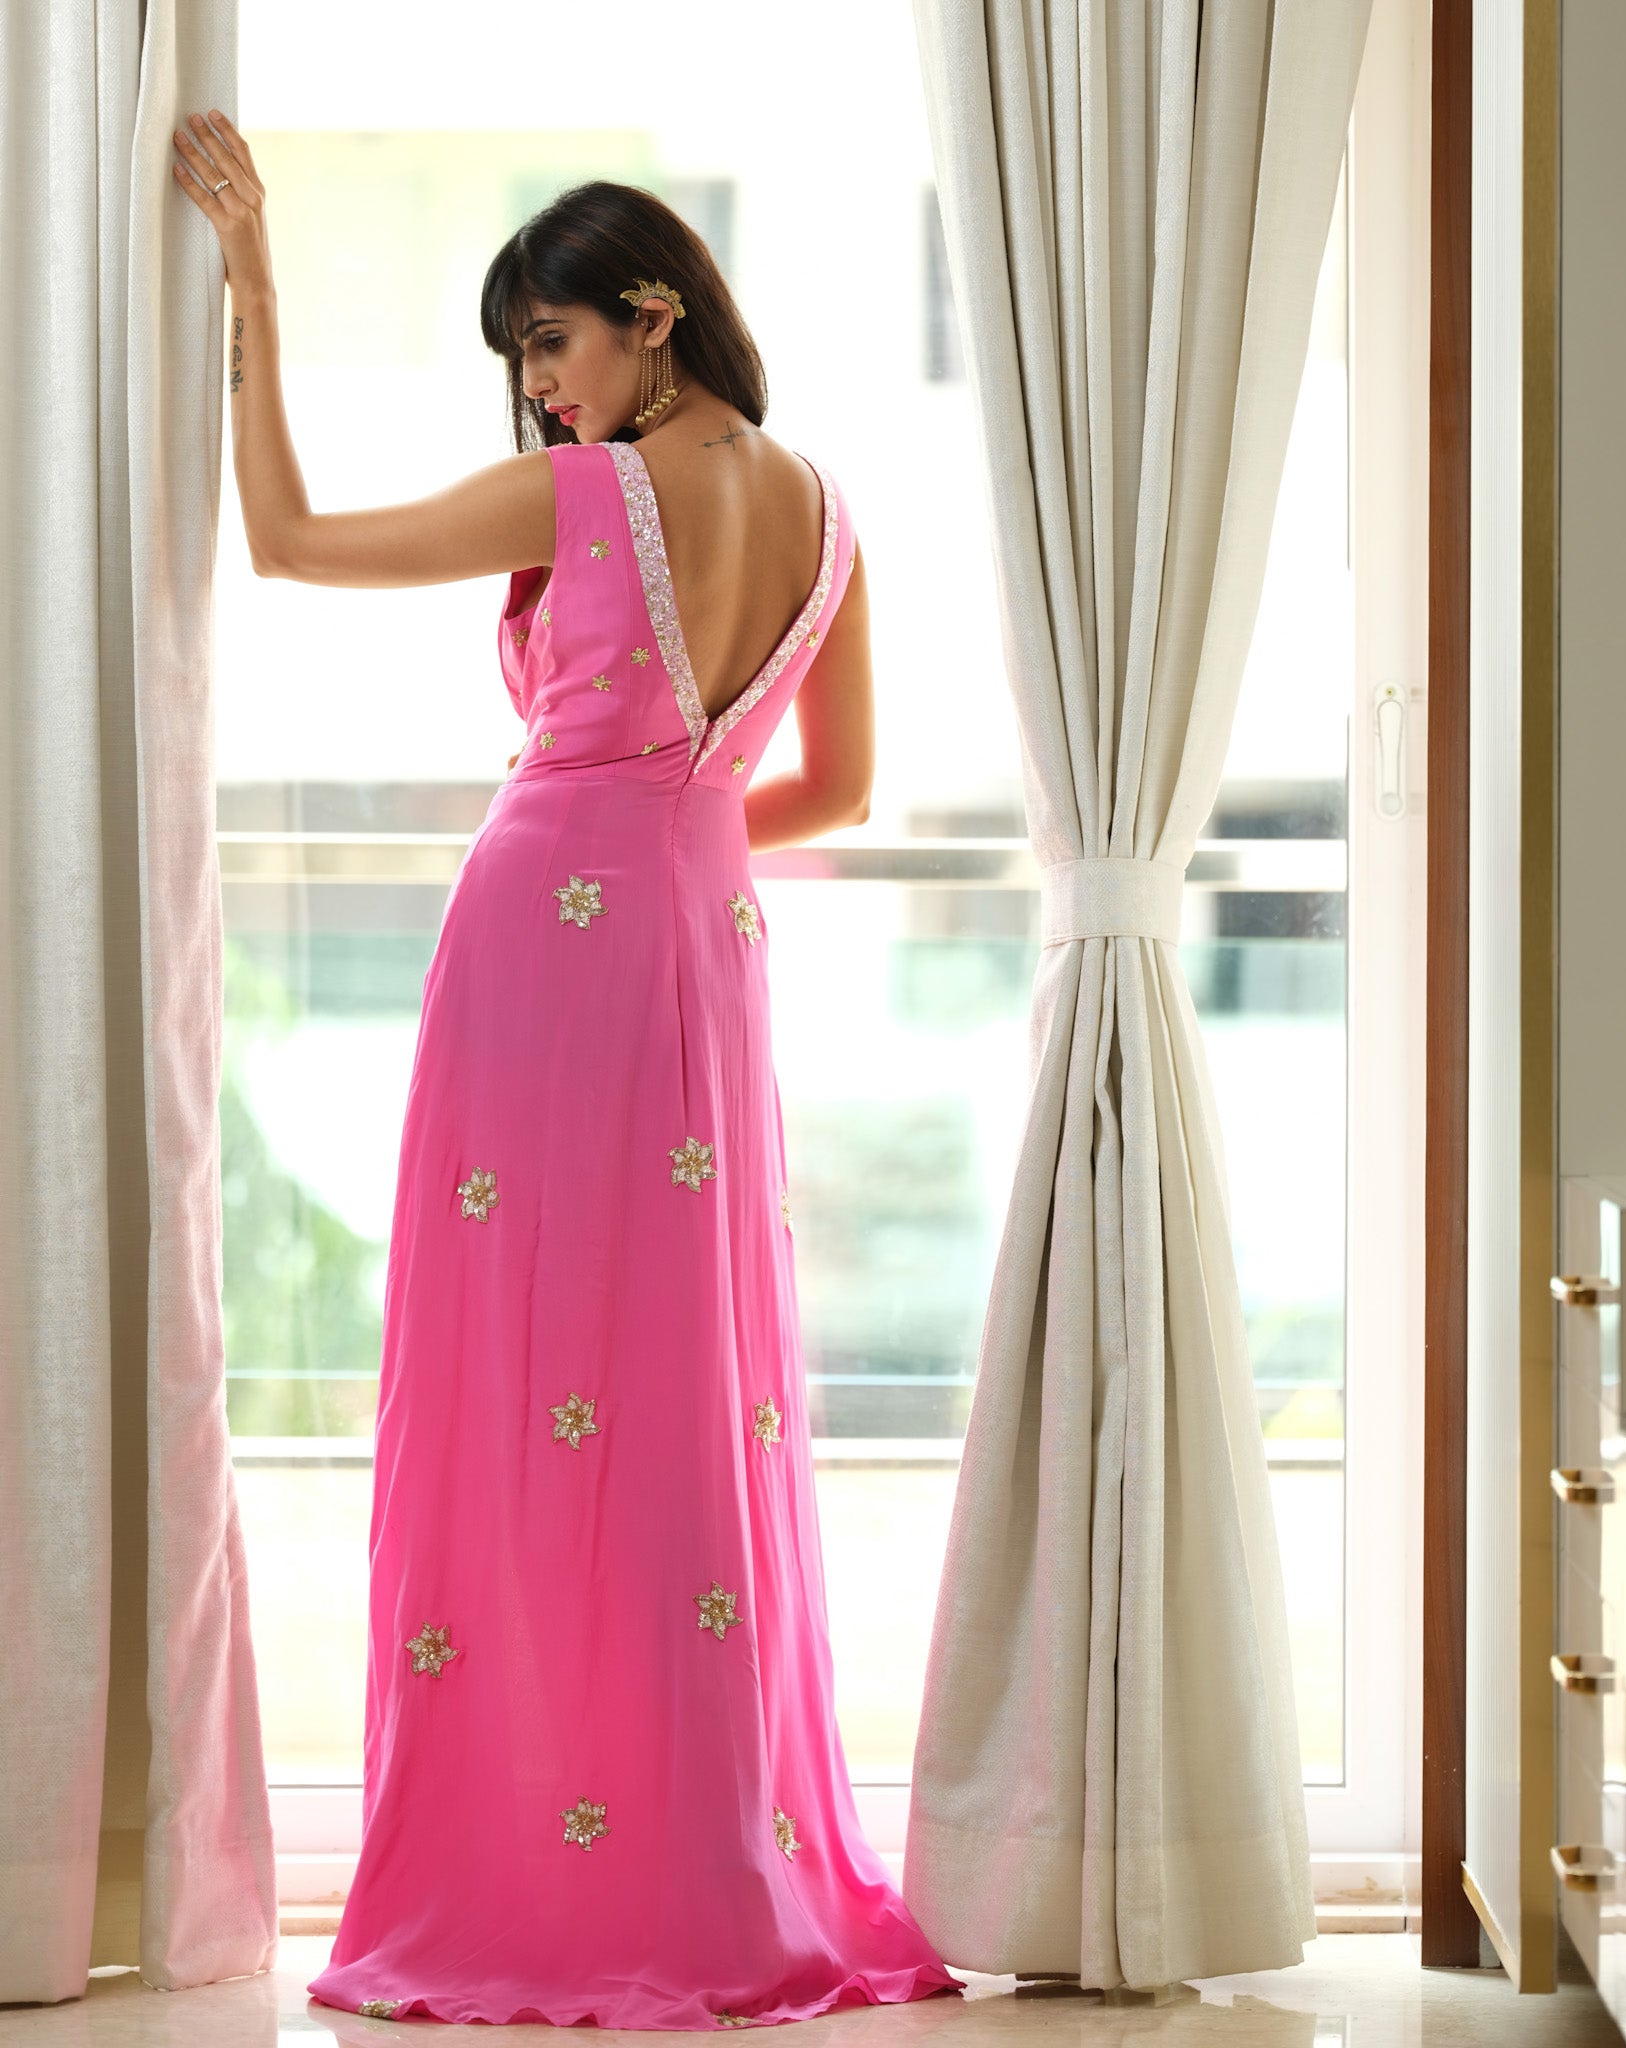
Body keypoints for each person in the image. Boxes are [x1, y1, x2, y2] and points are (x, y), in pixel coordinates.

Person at [171, 113, 964, 2028]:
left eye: (552, 340)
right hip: (701, 959)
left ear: (653, 316)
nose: (541, 387)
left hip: (543, 946)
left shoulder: (589, 501)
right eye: (522, 356)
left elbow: (282, 543)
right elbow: (837, 788)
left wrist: (255, 281)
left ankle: (529, 1861)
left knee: (525, 1382)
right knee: (687, 1394)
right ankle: (707, 1853)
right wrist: (676, 840)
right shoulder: (830, 513)